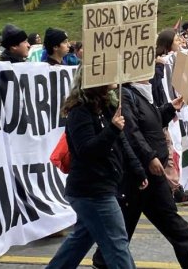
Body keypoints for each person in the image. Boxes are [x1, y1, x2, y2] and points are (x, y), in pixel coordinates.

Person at [92, 81, 188, 269]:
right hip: (139, 170)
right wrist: (149, 157)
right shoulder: (125, 95)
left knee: (164, 213)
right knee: (128, 218)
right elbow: (131, 132)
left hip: (150, 169)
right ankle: (103, 260)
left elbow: (151, 122)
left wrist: (169, 109)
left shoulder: (139, 94)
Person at [45, 69, 147, 269]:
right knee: (117, 243)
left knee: (80, 240)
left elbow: (122, 142)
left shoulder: (107, 106)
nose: (113, 77)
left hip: (103, 185)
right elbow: (87, 151)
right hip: (91, 191)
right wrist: (112, 129)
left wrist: (137, 169)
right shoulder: (79, 112)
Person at [152, 29, 188, 205]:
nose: (180, 41)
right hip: (161, 115)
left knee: (172, 152)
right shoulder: (158, 66)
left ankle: (174, 190)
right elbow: (157, 91)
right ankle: (174, 191)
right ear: (166, 44)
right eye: (176, 39)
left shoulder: (172, 61)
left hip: (170, 113)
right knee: (168, 153)